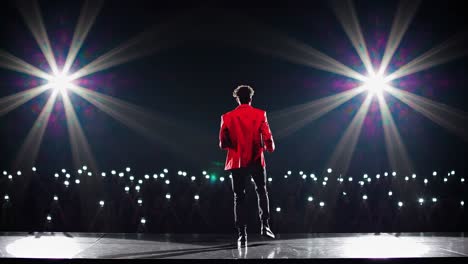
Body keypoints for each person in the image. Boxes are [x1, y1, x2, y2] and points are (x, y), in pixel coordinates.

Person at [219, 84, 275, 243]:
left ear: (237, 99)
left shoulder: (227, 117)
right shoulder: (260, 114)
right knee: (262, 191)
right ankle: (265, 225)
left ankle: (242, 234)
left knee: (239, 197)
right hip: (256, 158)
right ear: (251, 98)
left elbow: (223, 143)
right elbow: (268, 137)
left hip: (237, 162)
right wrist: (269, 147)